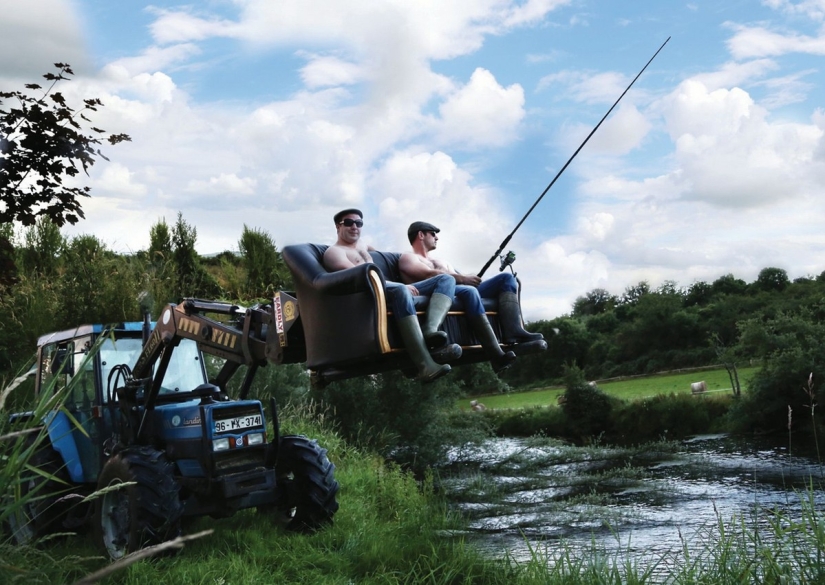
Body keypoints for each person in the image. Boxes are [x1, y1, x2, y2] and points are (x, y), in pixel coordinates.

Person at [322, 209, 455, 383]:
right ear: (338, 227)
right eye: (348, 222)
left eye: (359, 223)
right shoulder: (335, 253)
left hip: (385, 286)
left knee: (445, 279)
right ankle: (425, 366)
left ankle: (430, 330)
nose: (354, 226)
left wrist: (395, 271)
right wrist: (399, 285)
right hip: (367, 295)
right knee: (401, 291)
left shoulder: (362, 245)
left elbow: (376, 259)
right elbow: (363, 278)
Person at [399, 221, 544, 372]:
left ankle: (513, 331)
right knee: (470, 291)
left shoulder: (441, 261)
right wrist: (462, 279)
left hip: (461, 290)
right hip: (438, 293)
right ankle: (496, 354)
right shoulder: (408, 258)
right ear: (421, 235)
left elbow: (460, 278)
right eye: (433, 233)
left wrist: (469, 278)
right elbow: (430, 275)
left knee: (506, 278)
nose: (437, 238)